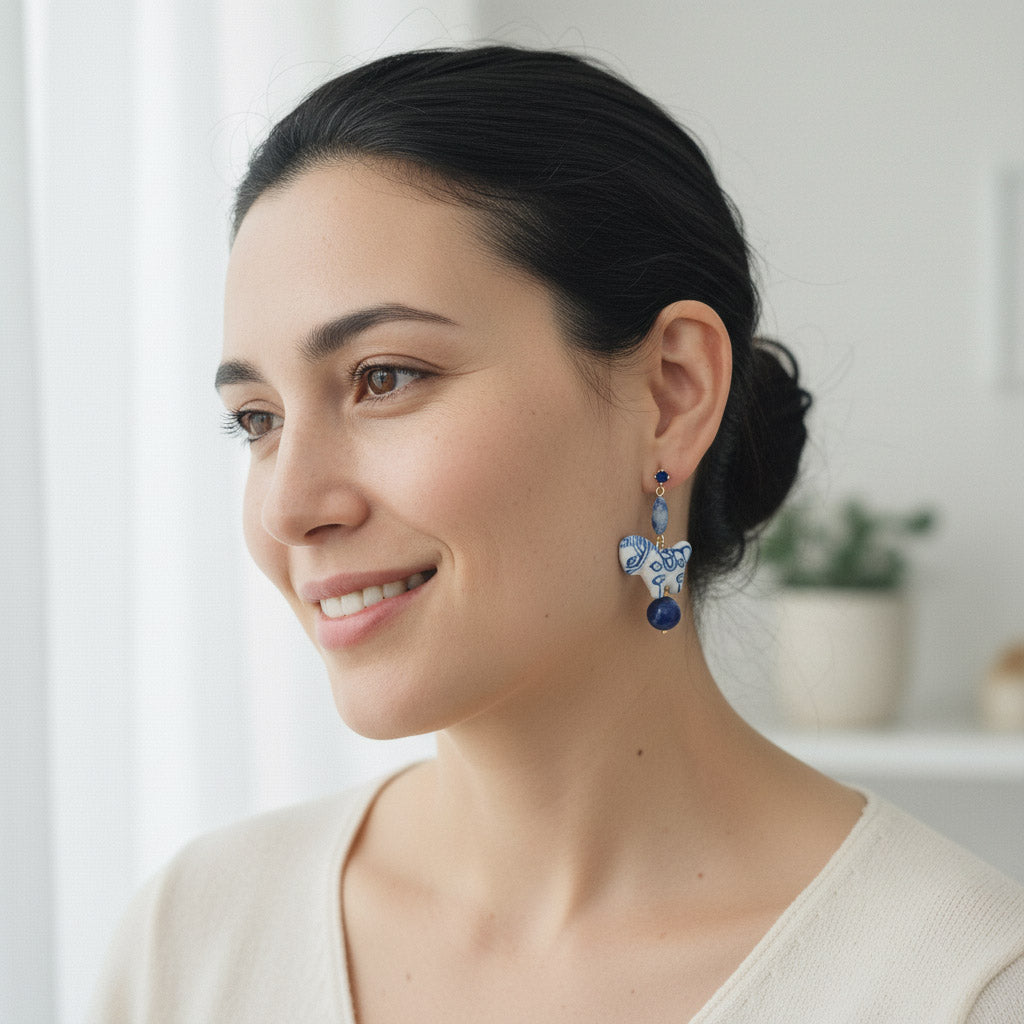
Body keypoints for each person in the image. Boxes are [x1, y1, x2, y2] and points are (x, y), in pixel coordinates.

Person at [91, 45, 1024, 1022]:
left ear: (670, 392)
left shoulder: (962, 987)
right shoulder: (192, 941)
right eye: (258, 419)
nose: (289, 506)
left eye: (384, 377)